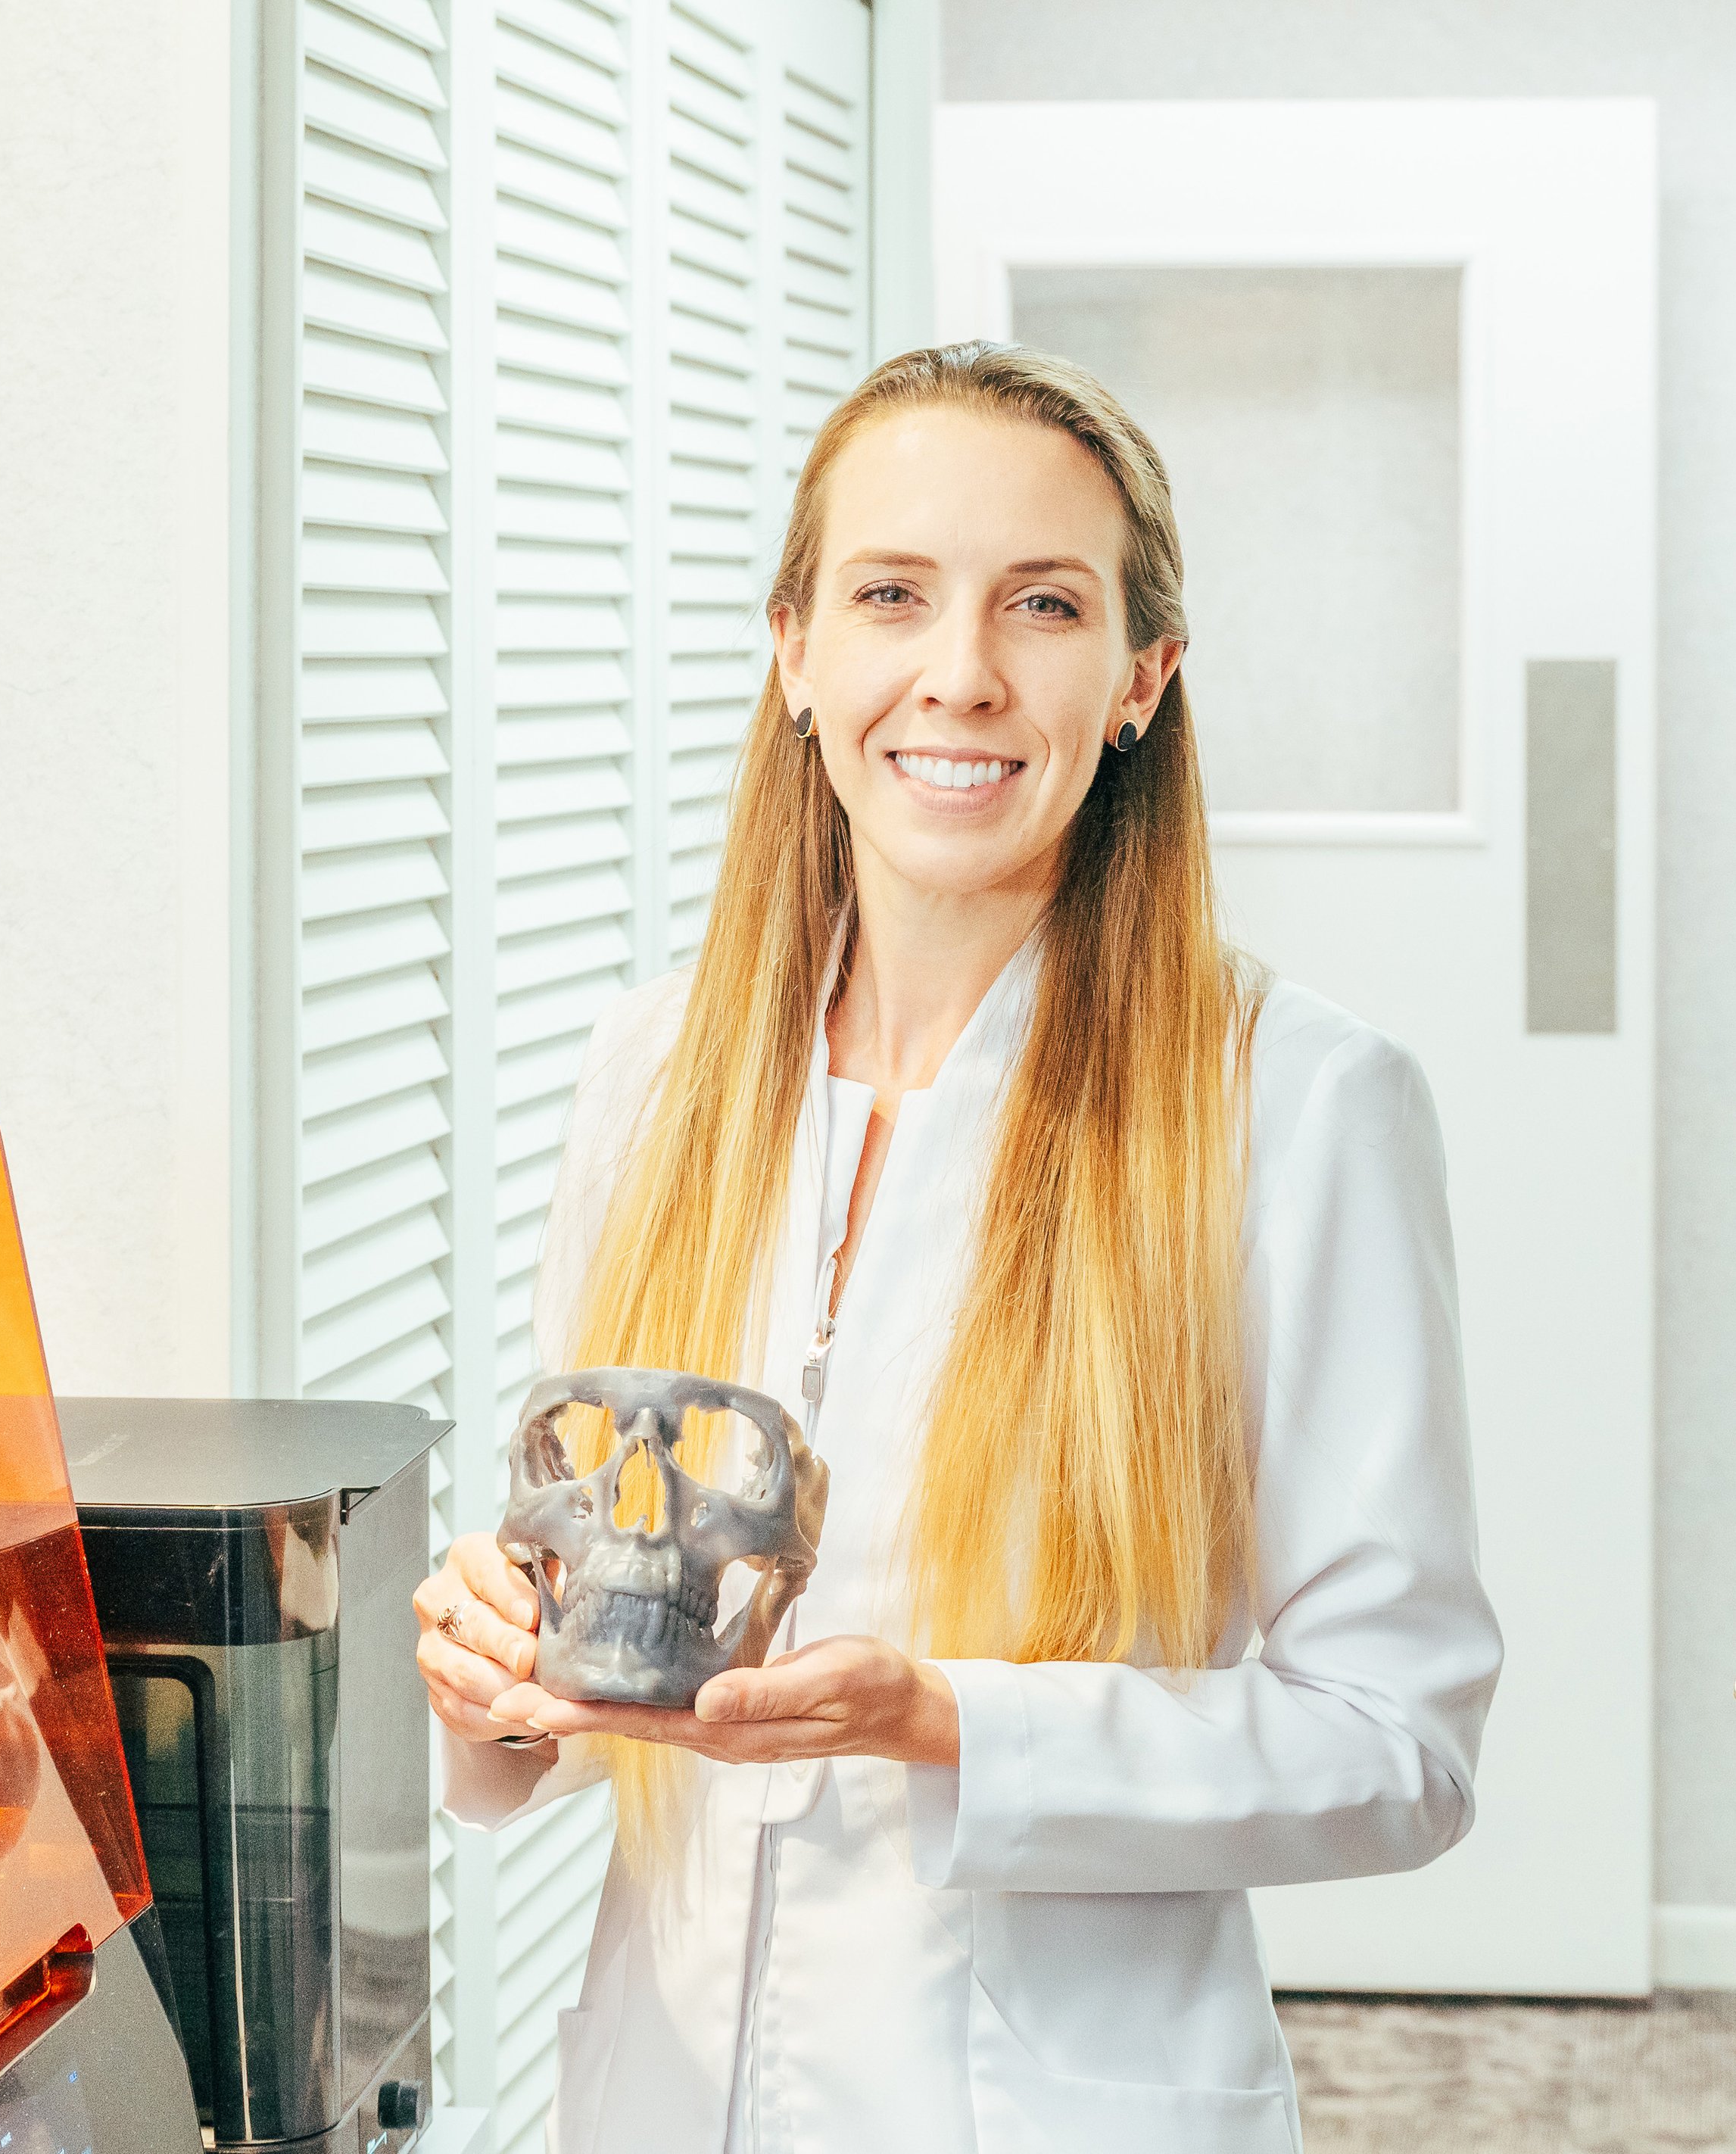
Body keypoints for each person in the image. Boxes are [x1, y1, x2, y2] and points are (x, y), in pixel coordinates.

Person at [414, 343, 1504, 2154]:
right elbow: (602, 1645)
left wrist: (941, 1721)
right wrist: (501, 1684)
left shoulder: (1295, 1106)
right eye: (890, 594)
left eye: (1043, 604)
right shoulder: (653, 1074)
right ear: (793, 651)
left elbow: (1397, 1749)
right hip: (656, 2099)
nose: (961, 673)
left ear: (1139, 678)